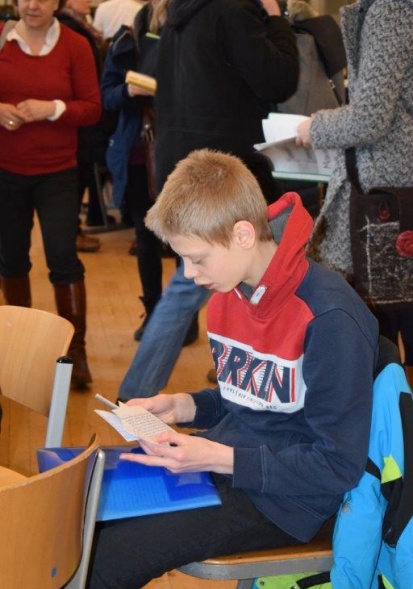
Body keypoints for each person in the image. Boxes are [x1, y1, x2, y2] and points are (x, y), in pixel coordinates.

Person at [19, 149, 379, 589]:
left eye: (196, 259)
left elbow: (337, 466)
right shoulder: (231, 287)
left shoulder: (329, 318)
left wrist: (216, 456)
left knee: (91, 576)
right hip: (226, 467)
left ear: (243, 235)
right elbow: (252, 398)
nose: (190, 274)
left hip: (287, 500)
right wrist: (184, 406)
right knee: (51, 540)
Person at [118, 0, 299, 400]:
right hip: (227, 173)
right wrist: (275, 18)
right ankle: (140, 395)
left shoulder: (178, 15)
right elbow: (279, 80)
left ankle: (143, 393)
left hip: (186, 164)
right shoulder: (232, 11)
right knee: (242, 276)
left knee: (206, 281)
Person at [296, 0, 413, 386]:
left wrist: (315, 128)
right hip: (396, 188)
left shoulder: (391, 9)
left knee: (378, 331)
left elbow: (371, 117)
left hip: (387, 195)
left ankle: (391, 421)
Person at [0, 0, 101, 388]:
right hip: (6, 172)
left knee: (64, 259)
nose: (32, 5)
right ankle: (18, 348)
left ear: (57, 3)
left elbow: (92, 108)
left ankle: (76, 354)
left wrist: (52, 108)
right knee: (11, 260)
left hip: (58, 172)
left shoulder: (75, 45)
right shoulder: (2, 38)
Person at [100, 0, 167, 341]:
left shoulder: (189, 37)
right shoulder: (126, 40)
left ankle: (182, 319)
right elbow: (107, 96)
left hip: (178, 151)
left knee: (187, 240)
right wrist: (129, 90)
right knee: (146, 236)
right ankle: (153, 311)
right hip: (139, 155)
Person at [57, 0, 107, 253]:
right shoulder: (72, 31)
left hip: (84, 118)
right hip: (77, 124)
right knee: (75, 181)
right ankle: (71, 234)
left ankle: (72, 232)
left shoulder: (81, 27)